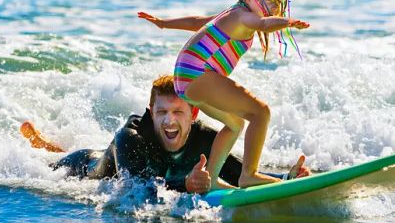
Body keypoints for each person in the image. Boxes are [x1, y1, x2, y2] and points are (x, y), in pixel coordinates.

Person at [137, 0, 309, 190]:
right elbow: (264, 24)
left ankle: (212, 179)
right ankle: (249, 175)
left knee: (235, 124)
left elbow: (197, 22)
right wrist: (287, 22)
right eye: (267, 0)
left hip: (187, 79)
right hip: (198, 73)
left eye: (277, 2)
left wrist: (163, 23)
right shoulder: (244, 16)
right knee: (261, 113)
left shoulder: (231, 14)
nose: (273, 7)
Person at [21, 75, 310, 194]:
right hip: (86, 168)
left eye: (178, 112)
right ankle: (42, 145)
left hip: (163, 172)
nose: (169, 121)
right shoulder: (131, 137)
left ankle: (45, 143)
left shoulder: (204, 138)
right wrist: (186, 183)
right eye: (161, 113)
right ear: (151, 110)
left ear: (193, 113)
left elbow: (236, 172)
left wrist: (285, 178)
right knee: (46, 165)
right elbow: (136, 188)